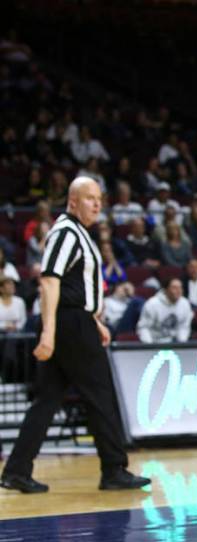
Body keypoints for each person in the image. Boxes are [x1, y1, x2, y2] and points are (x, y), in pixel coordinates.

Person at [0, 177, 150, 493]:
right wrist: (49, 333)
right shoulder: (65, 232)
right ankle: (114, 469)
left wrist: (94, 321)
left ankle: (16, 469)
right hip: (68, 325)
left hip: (75, 321)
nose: (96, 204)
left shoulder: (78, 233)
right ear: (72, 202)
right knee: (101, 394)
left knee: (47, 399)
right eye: (89, 198)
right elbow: (50, 281)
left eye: (99, 199)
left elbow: (72, 288)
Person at [136, 277, 193, 344]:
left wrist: (181, 345)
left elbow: (184, 327)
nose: (178, 290)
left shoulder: (185, 303)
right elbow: (143, 328)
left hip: (175, 343)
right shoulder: (152, 304)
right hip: (154, 342)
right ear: (165, 290)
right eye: (174, 288)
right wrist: (150, 346)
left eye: (180, 287)